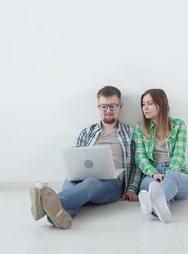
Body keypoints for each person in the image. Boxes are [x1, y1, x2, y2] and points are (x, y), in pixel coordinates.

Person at [30, 86, 142, 229]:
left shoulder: (131, 133)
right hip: (79, 179)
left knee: (89, 183)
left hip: (111, 184)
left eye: (112, 106)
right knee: (74, 186)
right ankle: (60, 217)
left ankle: (43, 205)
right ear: (98, 107)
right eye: (104, 106)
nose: (108, 110)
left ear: (120, 106)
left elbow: (137, 163)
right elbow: (72, 157)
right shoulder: (87, 131)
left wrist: (131, 189)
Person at [134, 88, 188, 223]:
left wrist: (169, 173)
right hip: (153, 173)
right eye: (143, 104)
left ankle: (150, 204)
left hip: (176, 173)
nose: (145, 108)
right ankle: (160, 210)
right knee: (150, 185)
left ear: (161, 104)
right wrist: (153, 173)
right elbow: (140, 156)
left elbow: (179, 154)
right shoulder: (140, 127)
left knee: (172, 178)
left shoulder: (178, 125)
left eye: (150, 103)